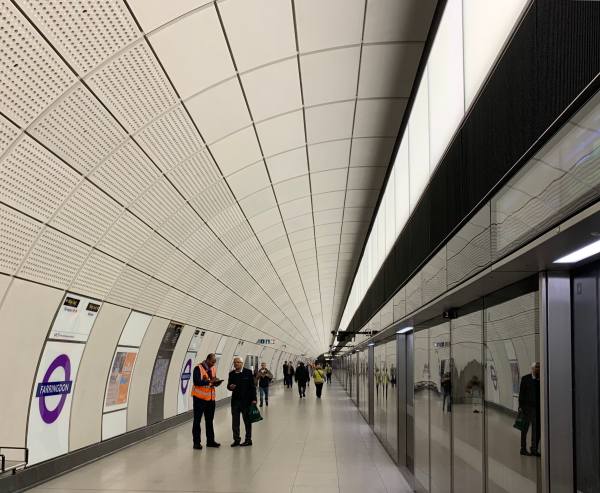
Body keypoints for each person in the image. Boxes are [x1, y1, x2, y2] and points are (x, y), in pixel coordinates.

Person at [191, 353, 221, 450]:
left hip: (210, 399)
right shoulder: (198, 368)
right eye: (212, 362)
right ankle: (196, 443)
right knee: (197, 421)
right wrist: (209, 381)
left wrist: (216, 383)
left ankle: (210, 441)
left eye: (214, 362)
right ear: (207, 359)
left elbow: (212, 381)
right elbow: (196, 382)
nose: (213, 364)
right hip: (199, 399)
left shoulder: (213, 368)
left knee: (209, 421)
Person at [228, 357, 257, 447]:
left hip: (246, 401)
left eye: (238, 362)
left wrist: (254, 399)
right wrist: (230, 387)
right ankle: (236, 440)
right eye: (235, 362)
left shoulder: (248, 373)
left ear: (242, 363)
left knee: (247, 421)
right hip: (235, 402)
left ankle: (248, 440)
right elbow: (228, 386)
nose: (236, 364)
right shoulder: (231, 374)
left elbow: (252, 387)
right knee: (235, 423)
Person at [519, 362, 541, 456]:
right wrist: (520, 407)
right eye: (536, 367)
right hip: (526, 408)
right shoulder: (525, 379)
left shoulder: (541, 379)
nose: (538, 369)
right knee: (524, 430)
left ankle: (534, 449)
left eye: (539, 368)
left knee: (536, 430)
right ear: (532, 368)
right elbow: (521, 394)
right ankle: (523, 449)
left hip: (537, 409)